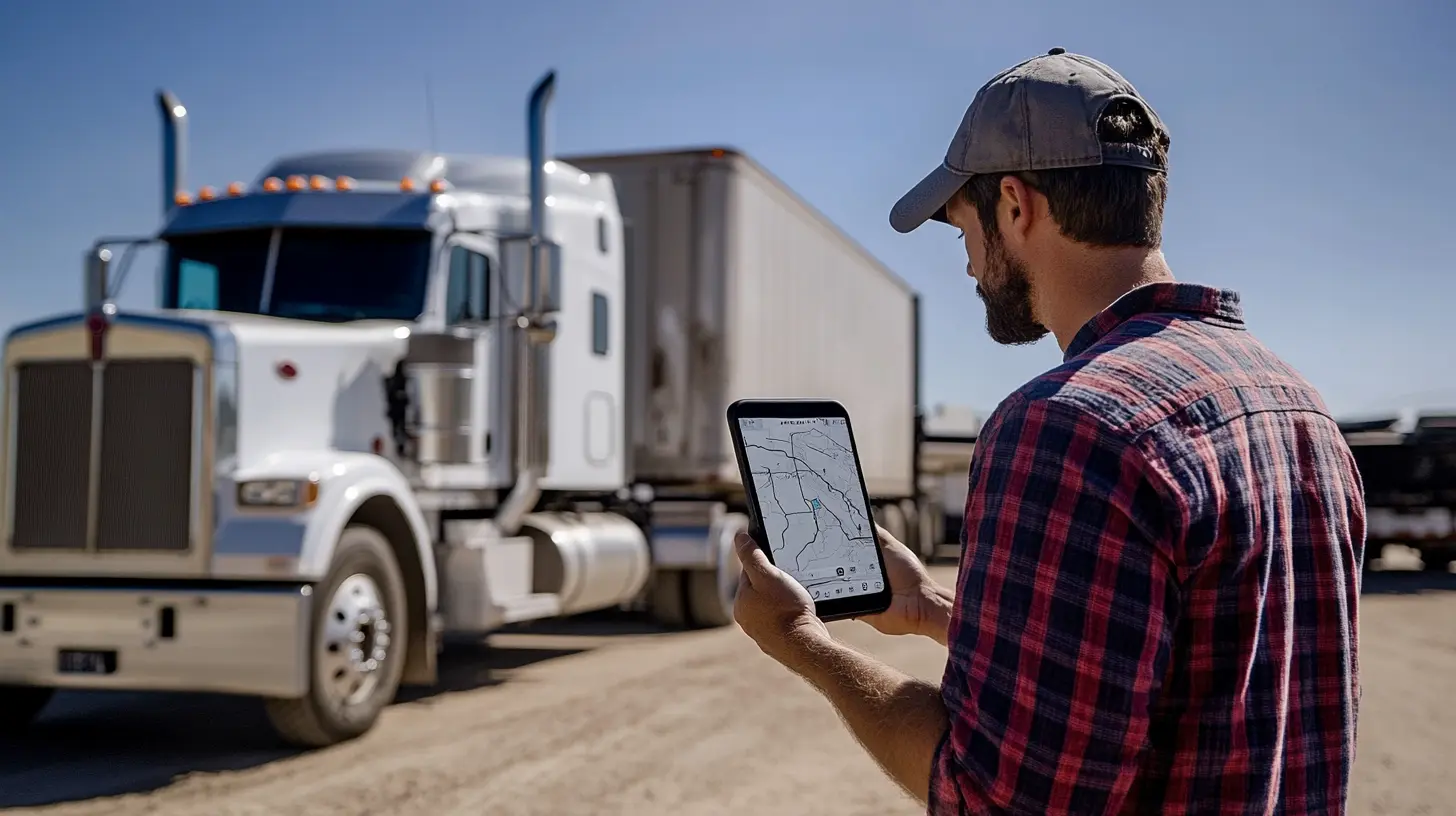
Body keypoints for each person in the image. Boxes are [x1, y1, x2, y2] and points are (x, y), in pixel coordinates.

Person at [731, 48, 1364, 814]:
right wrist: (935, 612)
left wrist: (805, 643)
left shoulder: (1063, 429)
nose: (967, 263)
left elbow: (993, 796)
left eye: (961, 226)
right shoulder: (1296, 406)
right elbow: (1175, 678)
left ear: (1016, 205)